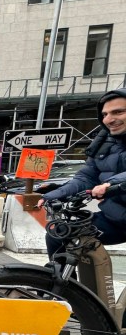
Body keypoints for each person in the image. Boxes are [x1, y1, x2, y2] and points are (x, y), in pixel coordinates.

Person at [38, 88, 126, 257]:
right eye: (105, 114)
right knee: (59, 234)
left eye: (118, 112)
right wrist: (55, 194)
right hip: (116, 218)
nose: (108, 119)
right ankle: (61, 283)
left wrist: (111, 184)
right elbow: (87, 177)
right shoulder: (104, 142)